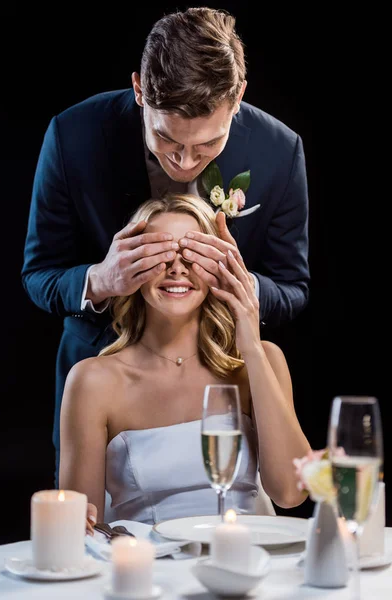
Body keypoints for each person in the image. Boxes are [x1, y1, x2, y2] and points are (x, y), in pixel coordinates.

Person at [21, 7, 310, 482]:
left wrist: (237, 283)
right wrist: (99, 279)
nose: (185, 161)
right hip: (104, 377)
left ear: (238, 97)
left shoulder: (279, 152)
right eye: (166, 139)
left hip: (221, 373)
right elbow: (39, 273)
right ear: (139, 90)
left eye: (207, 146)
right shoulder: (74, 137)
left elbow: (293, 286)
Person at [59, 193, 310, 528]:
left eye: (193, 255)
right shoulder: (93, 381)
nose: (177, 269)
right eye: (161, 255)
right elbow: (81, 531)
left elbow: (291, 493)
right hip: (147, 573)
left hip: (249, 564)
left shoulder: (262, 360)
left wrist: (250, 343)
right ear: (131, 264)